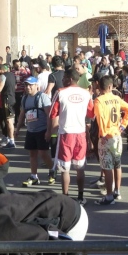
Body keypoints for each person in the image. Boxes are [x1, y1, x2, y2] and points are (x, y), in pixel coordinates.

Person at [49, 68, 94, 205]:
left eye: (64, 78)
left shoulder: (60, 92)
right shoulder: (86, 93)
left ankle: (66, 198)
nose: (62, 80)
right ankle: (80, 197)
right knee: (80, 168)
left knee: (65, 169)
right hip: (80, 134)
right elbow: (91, 114)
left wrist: (49, 131)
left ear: (69, 79)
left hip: (66, 134)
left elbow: (52, 113)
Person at [93, 75, 128, 205]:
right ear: (110, 86)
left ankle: (109, 196)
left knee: (107, 167)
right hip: (117, 134)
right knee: (117, 164)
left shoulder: (99, 100)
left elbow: (100, 117)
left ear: (99, 86)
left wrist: (103, 133)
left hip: (106, 136)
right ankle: (117, 191)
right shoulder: (116, 98)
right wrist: (123, 125)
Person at [15, 76, 55, 186]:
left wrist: (49, 131)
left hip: (42, 130)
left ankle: (52, 170)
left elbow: (49, 115)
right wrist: (17, 129)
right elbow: (22, 114)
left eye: (30, 85)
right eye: (26, 85)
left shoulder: (43, 97)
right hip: (31, 131)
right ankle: (34, 176)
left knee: (43, 153)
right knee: (32, 154)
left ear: (36, 86)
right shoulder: (25, 98)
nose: (28, 87)